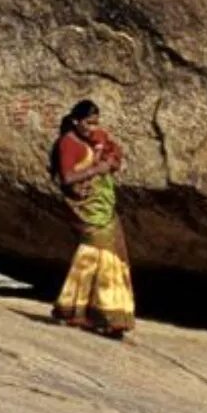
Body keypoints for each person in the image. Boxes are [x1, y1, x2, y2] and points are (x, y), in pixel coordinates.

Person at [49, 99, 135, 337]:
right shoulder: (68, 143)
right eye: (87, 123)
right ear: (76, 121)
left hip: (104, 203)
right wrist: (98, 169)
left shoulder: (96, 137)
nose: (91, 128)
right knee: (99, 253)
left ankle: (91, 309)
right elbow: (67, 177)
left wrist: (111, 161)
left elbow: (114, 154)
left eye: (95, 123)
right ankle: (101, 312)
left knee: (110, 252)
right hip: (87, 207)